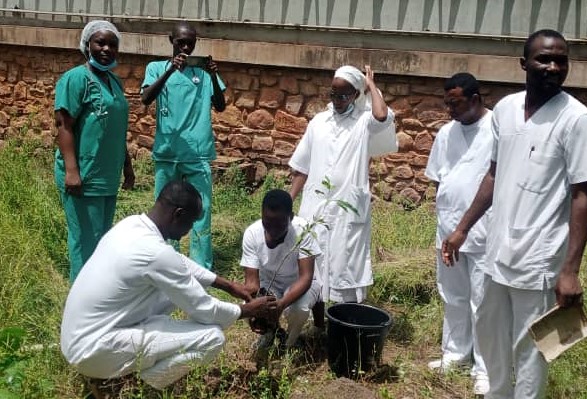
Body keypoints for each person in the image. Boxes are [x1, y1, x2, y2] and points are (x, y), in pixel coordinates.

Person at [441, 29, 587, 398]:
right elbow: (494, 173)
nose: (553, 66)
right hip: (497, 252)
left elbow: (582, 195)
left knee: (530, 350)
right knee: (489, 333)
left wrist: (570, 270)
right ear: (524, 63)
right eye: (544, 58)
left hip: (539, 259)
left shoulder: (577, 119)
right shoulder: (507, 110)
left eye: (561, 59)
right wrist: (463, 228)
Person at [61, 180, 277, 391]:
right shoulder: (155, 253)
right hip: (92, 351)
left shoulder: (132, 225)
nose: (190, 230)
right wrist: (248, 310)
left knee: (187, 288)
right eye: (191, 222)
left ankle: (121, 370)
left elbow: (177, 262)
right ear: (178, 215)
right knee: (212, 338)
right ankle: (138, 387)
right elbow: (206, 310)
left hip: (80, 337)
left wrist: (229, 285)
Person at [289, 65, 396, 304]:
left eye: (344, 95)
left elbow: (381, 116)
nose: (337, 100)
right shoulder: (319, 122)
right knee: (311, 260)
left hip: (347, 207)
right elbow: (302, 166)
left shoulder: (363, 122)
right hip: (315, 205)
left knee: (344, 264)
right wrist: (289, 199)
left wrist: (370, 85)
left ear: (356, 95)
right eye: (333, 94)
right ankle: (316, 322)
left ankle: (342, 317)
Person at [424, 72, 491, 395]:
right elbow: (440, 178)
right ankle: (455, 354)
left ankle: (486, 367)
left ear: (475, 99)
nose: (449, 109)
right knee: (452, 295)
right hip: (448, 229)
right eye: (446, 103)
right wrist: (448, 216)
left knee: (483, 301)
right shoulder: (445, 133)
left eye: (455, 103)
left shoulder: (496, 129)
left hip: (483, 233)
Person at [141, 22, 226, 270]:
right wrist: (170, 71)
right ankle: (167, 262)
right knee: (166, 210)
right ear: (171, 40)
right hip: (168, 153)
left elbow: (220, 106)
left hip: (197, 153)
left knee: (201, 209)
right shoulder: (156, 68)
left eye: (191, 42)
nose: (187, 47)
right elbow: (146, 98)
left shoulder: (204, 72)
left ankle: (200, 267)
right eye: (181, 42)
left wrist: (211, 75)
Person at [55, 20, 134, 282]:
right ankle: (80, 300)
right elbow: (64, 125)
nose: (106, 48)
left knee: (102, 240)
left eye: (112, 44)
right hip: (84, 177)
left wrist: (127, 166)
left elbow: (115, 128)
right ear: (87, 45)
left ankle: (96, 294)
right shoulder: (76, 78)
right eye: (100, 42)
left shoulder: (114, 81)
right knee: (84, 241)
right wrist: (71, 171)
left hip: (107, 175)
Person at [241, 189, 322, 349]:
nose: (272, 230)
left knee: (298, 310)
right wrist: (254, 309)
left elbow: (306, 278)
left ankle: (289, 343)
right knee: (246, 304)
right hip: (270, 284)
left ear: (291, 218)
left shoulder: (302, 230)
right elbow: (251, 283)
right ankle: (270, 332)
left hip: (299, 284)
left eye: (279, 225)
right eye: (267, 223)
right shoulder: (252, 234)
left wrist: (282, 304)